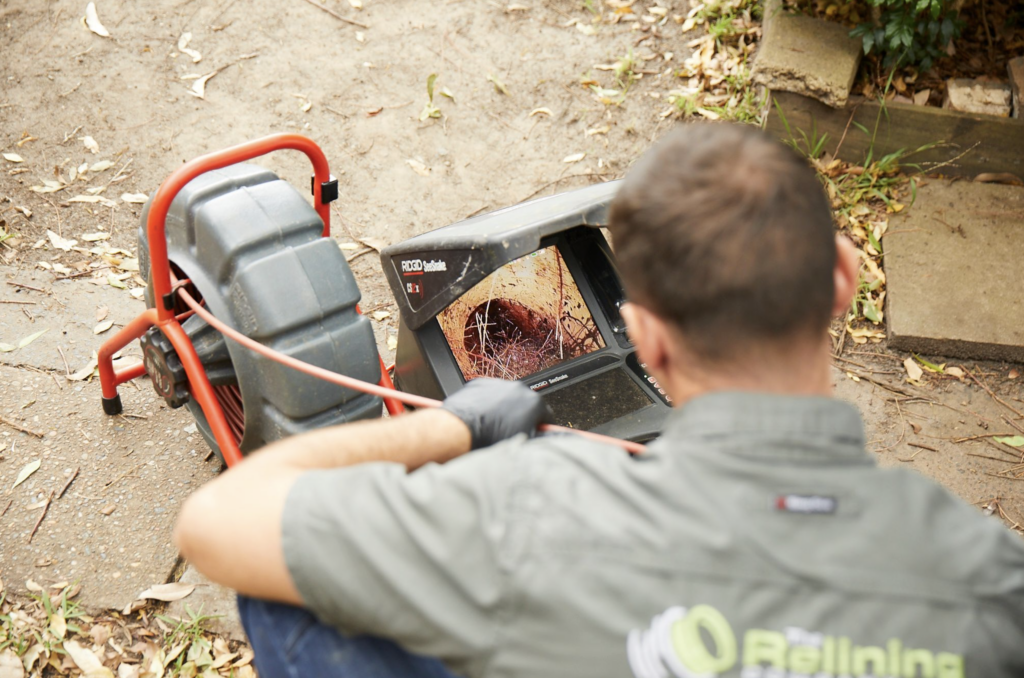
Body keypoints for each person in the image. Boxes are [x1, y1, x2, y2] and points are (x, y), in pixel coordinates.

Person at [173, 122, 1024, 678]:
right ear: (844, 278)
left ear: (645, 337)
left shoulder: (521, 513)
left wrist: (446, 431)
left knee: (287, 586)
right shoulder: (991, 580)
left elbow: (220, 521)